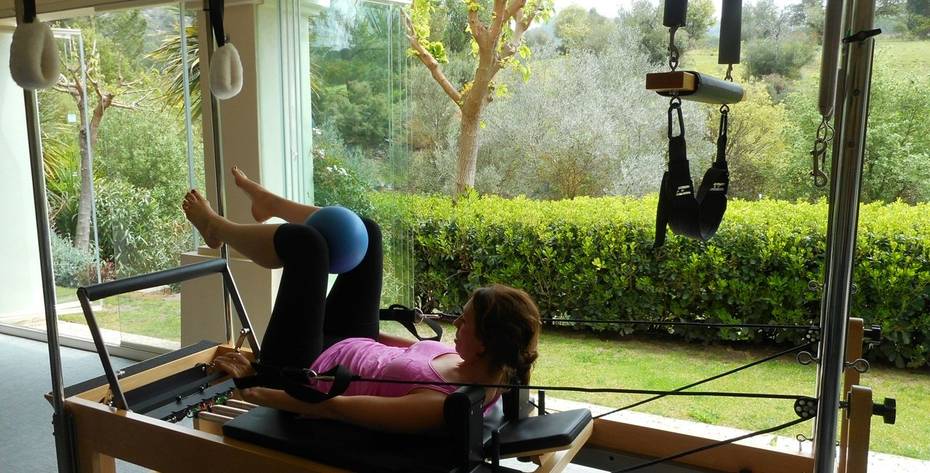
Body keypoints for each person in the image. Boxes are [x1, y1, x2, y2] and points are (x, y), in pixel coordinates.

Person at [182, 167, 541, 433]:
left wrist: (255, 386)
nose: (456, 325)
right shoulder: (482, 364)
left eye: (465, 323)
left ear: (484, 346)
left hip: (304, 371)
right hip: (354, 342)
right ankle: (270, 203)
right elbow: (402, 354)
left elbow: (337, 408)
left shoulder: (441, 403)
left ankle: (218, 229)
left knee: (307, 248)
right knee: (367, 232)